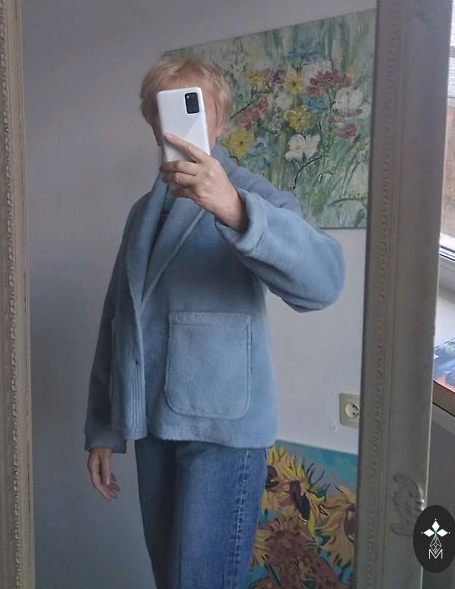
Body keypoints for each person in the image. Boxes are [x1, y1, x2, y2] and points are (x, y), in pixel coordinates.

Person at [84, 57, 345, 589]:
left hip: (223, 431)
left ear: (220, 122)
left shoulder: (248, 194)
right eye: (167, 109)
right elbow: (118, 319)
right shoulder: (141, 213)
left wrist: (234, 209)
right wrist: (105, 428)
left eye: (196, 108)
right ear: (153, 124)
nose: (180, 123)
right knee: (171, 579)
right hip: (152, 425)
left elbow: (325, 282)